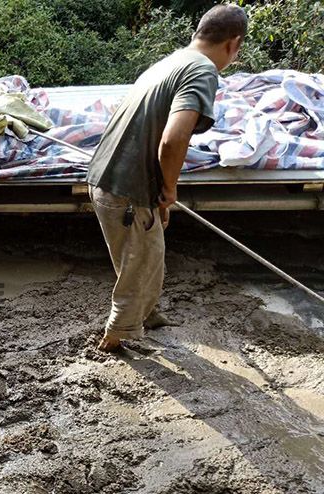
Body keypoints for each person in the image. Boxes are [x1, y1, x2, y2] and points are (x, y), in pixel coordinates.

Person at [86, 4, 247, 352]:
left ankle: (147, 314)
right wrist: (169, 189)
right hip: (126, 186)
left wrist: (159, 191)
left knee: (149, 253)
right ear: (233, 44)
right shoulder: (203, 70)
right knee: (139, 264)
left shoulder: (173, 60)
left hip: (110, 177)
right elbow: (173, 140)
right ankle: (117, 336)